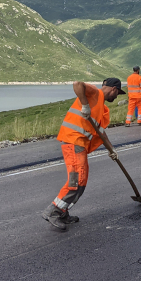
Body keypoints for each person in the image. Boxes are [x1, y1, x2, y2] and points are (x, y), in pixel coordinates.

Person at [42, 78, 125, 230]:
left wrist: (112, 150)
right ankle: (53, 211)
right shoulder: (95, 93)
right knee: (76, 181)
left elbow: (101, 133)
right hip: (73, 141)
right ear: (113, 89)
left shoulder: (101, 107)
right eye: (118, 93)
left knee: (81, 183)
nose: (116, 97)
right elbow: (77, 84)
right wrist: (85, 105)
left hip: (80, 144)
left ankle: (63, 212)